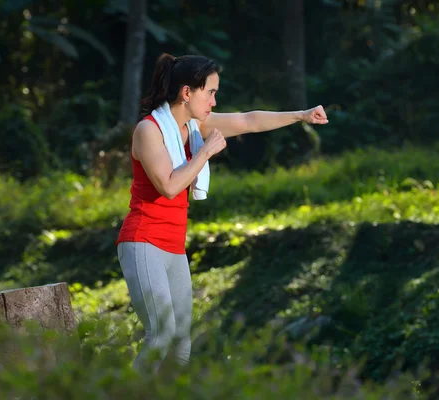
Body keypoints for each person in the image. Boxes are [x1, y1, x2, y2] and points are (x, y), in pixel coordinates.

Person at [115, 52, 329, 374]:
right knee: (161, 335)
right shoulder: (149, 131)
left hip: (173, 245)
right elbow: (170, 187)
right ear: (187, 93)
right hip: (143, 240)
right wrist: (205, 152)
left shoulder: (194, 125)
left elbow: (248, 121)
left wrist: (301, 115)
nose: (214, 101)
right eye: (210, 92)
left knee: (181, 342)